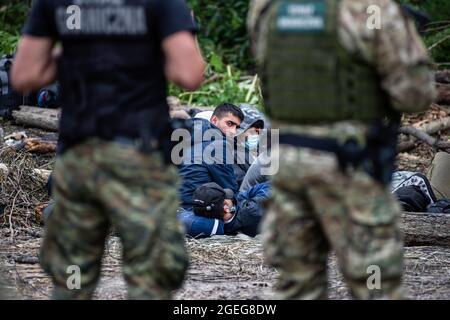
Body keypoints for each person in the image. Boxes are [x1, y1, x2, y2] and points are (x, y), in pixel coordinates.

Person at [12, 0, 205, 299]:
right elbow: (190, 74)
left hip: (78, 156)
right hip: (138, 157)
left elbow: (25, 75)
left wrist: (79, 54)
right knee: (150, 278)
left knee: (72, 279)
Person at [248, 0, 437, 299]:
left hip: (286, 167)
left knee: (298, 285)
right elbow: (415, 95)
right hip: (348, 166)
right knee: (375, 283)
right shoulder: (370, 8)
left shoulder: (268, 8)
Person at [178, 103, 244, 209]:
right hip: (198, 209)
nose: (233, 131)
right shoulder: (218, 144)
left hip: (178, 204)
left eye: (237, 127)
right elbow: (229, 186)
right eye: (229, 124)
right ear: (214, 120)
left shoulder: (189, 134)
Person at [178, 181, 270, 238]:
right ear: (226, 207)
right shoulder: (251, 211)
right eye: (226, 197)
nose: (231, 198)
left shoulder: (211, 221)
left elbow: (239, 197)